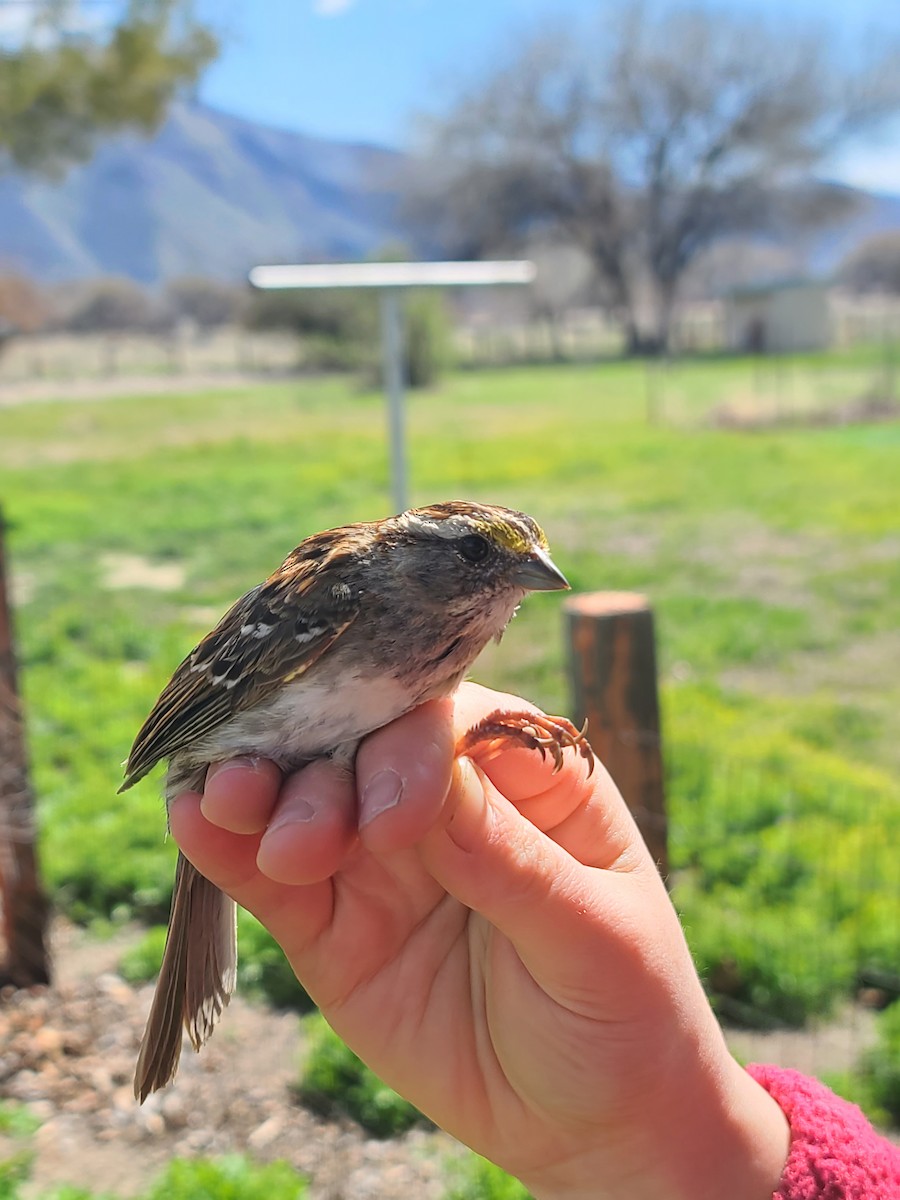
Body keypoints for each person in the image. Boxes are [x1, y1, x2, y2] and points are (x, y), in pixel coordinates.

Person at [170, 683, 900, 1200]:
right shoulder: (352, 603)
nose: (527, 581)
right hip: (247, 776)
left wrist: (651, 1132)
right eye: (480, 559)